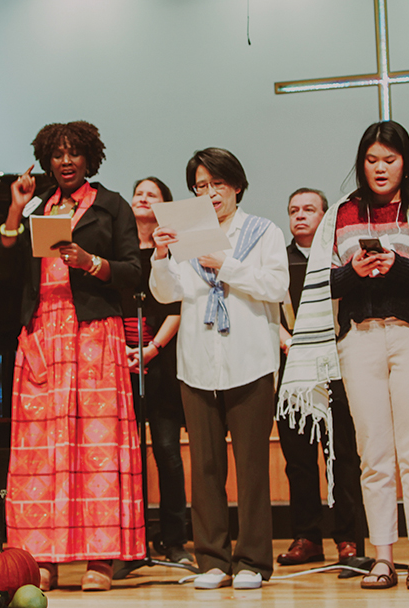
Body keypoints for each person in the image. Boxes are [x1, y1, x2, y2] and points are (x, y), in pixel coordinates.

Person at [278, 121, 409, 591]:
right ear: (361, 163)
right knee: (372, 453)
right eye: (372, 160)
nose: (380, 168)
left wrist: (400, 267)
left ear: (405, 163)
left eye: (389, 160)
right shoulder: (341, 214)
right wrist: (354, 271)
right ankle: (382, 556)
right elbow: (320, 287)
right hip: (359, 338)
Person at [0, 121, 144, 592]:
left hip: (94, 333)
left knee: (95, 451)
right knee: (42, 455)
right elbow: (2, 274)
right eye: (57, 154)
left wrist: (92, 263)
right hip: (43, 334)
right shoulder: (37, 208)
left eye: (74, 153)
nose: (65, 161)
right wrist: (16, 211)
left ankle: (100, 560)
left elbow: (134, 272)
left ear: (89, 158)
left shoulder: (111, 205)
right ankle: (42, 557)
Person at [149, 148, 288, 591]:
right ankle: (212, 559)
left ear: (237, 186)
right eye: (200, 187)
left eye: (217, 185)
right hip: (197, 363)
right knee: (205, 466)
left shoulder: (263, 231)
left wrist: (224, 263)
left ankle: (252, 562)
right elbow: (168, 293)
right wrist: (161, 254)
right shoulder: (189, 232)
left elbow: (276, 285)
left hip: (250, 361)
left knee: (250, 468)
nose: (209, 194)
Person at [275, 188, 365, 565]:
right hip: (292, 368)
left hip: (337, 366)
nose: (300, 216)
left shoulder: (341, 257)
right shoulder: (277, 260)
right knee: (297, 460)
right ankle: (307, 537)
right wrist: (287, 341)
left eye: (309, 209)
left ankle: (349, 539)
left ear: (326, 216)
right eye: (294, 210)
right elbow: (267, 311)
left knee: (342, 455)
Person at [118, 176, 190, 569]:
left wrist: (151, 349)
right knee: (129, 458)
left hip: (161, 361)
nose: (143, 198)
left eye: (153, 194)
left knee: (166, 452)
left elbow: (179, 307)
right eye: (138, 193)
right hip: (121, 360)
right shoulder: (120, 251)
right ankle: (133, 544)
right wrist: (126, 351)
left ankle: (176, 540)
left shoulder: (174, 253)